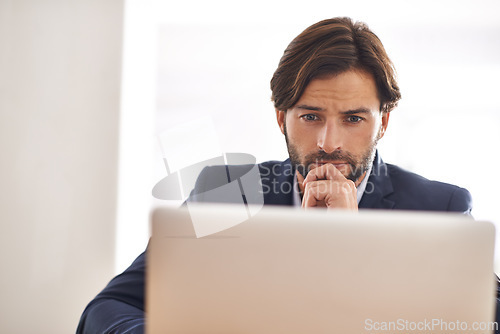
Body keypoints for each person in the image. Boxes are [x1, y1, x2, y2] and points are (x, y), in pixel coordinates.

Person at [76, 17, 496, 334]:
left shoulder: (440, 209)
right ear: (282, 117)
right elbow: (107, 308)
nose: (329, 142)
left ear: (383, 122)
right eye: (310, 116)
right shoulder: (226, 196)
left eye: (353, 118)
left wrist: (354, 248)